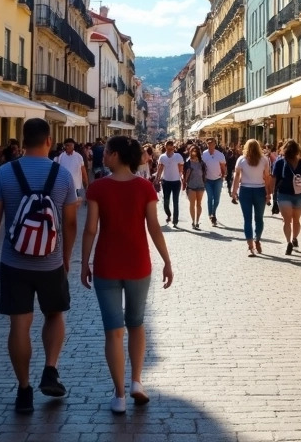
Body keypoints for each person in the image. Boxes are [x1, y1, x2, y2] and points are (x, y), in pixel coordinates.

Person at [0, 118, 78, 414]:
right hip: (50, 262)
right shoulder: (62, 175)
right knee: (54, 315)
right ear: (49, 140)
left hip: (14, 261)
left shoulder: (4, 173)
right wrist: (66, 258)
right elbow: (71, 223)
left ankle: (23, 390)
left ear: (22, 141)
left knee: (19, 325)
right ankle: (50, 368)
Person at [81, 136, 173, 414]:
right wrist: (167, 261)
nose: (103, 155)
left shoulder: (98, 188)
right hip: (138, 264)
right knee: (136, 324)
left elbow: (91, 229)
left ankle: (119, 395)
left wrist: (84, 262)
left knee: (113, 332)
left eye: (107, 152)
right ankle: (136, 382)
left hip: (107, 264)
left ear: (116, 155)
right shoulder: (145, 187)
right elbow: (154, 228)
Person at [231, 139, 271, 256]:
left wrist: (234, 191)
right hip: (259, 190)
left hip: (245, 190)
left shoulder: (241, 160)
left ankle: (250, 246)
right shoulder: (264, 160)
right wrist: (268, 193)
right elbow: (267, 177)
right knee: (259, 218)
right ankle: (257, 239)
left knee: (247, 219)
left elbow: (237, 176)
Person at [273, 140, 301, 255]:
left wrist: (270, 193)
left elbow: (274, 179)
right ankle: (294, 239)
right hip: (299, 195)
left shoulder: (279, 163)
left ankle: (288, 242)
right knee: (296, 220)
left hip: (284, 194)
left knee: (287, 221)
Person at [155, 140, 184, 228]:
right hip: (166, 181)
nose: (170, 148)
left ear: (173, 147)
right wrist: (157, 177)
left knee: (176, 201)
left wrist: (180, 176)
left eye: (171, 146)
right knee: (166, 201)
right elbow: (160, 168)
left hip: (176, 182)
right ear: (166, 147)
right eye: (168, 146)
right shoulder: (162, 157)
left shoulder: (178, 156)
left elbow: (181, 167)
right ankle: (168, 214)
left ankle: (175, 220)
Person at [200, 138, 227, 227]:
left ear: (215, 144)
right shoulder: (204, 154)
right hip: (208, 180)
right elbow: (202, 167)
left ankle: (213, 211)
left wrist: (223, 176)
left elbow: (223, 167)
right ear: (207, 145)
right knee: (210, 197)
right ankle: (211, 215)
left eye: (212, 144)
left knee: (217, 199)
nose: (210, 145)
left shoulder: (220, 155)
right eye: (208, 144)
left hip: (218, 179)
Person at [56, 138, 89, 203]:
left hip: (75, 184)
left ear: (73, 146)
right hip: (64, 185)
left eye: (69, 145)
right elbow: (58, 170)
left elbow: (83, 170)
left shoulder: (78, 157)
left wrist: (86, 182)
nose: (68, 147)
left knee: (73, 203)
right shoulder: (61, 156)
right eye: (66, 145)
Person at [182, 145, 207, 230]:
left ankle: (197, 221)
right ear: (190, 151)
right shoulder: (187, 162)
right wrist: (185, 178)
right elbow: (183, 174)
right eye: (193, 150)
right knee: (192, 204)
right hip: (191, 185)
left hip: (200, 185)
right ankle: (193, 221)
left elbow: (204, 173)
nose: (194, 152)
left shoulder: (201, 162)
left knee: (199, 204)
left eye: (196, 150)